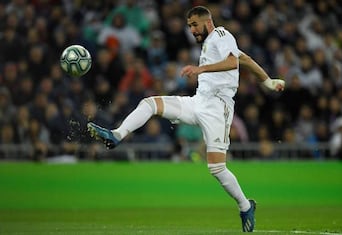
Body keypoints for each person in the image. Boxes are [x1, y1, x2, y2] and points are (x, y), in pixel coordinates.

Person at [88, 6, 285, 232]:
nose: (191, 30)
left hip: (218, 107)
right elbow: (245, 59)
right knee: (150, 104)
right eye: (189, 26)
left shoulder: (221, 34)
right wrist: (268, 81)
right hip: (199, 101)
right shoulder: (214, 43)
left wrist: (201, 70)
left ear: (207, 21)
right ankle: (116, 135)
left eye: (194, 24)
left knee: (217, 168)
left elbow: (234, 63)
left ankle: (245, 206)